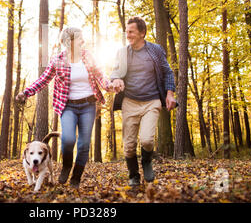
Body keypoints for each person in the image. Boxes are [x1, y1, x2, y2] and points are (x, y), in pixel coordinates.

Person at [16, 27, 111, 188]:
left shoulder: (88, 56)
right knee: (68, 139)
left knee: (83, 144)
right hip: (68, 106)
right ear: (70, 42)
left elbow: (100, 75)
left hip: (88, 104)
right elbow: (43, 80)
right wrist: (26, 92)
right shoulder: (57, 60)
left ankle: (76, 177)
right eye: (79, 38)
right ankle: (67, 164)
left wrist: (110, 86)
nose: (82, 41)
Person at [111, 16, 177, 186]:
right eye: (127, 32)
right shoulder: (122, 52)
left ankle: (147, 162)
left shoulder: (155, 50)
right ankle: (133, 175)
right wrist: (116, 80)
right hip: (130, 102)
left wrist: (169, 94)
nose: (128, 35)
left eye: (131, 32)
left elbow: (168, 72)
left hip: (152, 101)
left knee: (147, 139)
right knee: (129, 145)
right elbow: (115, 72)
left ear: (142, 33)